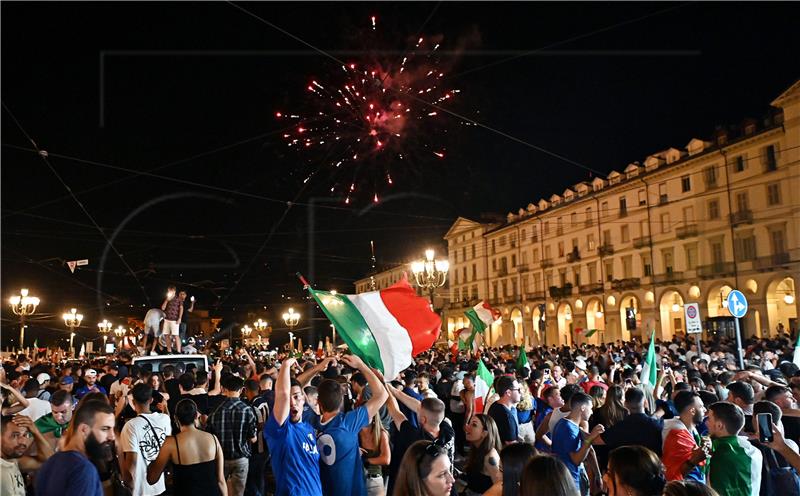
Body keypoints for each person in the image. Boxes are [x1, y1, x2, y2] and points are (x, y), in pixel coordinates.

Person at [315, 354, 388, 496]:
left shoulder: (309, 422)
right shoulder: (348, 422)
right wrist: (361, 365)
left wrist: (317, 368)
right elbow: (382, 395)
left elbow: (295, 388)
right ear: (341, 401)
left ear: (318, 403)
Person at [263, 357, 322, 496]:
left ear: (304, 399)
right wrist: (285, 365)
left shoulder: (309, 429)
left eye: (296, 397)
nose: (291, 402)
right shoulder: (277, 429)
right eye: (288, 398)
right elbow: (283, 395)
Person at [36, 399, 116, 496]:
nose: (112, 436)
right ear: (84, 430)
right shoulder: (84, 470)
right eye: (105, 429)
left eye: (112, 429)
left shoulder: (50, 463)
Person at [146, 399, 226, 496]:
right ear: (196, 416)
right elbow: (221, 481)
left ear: (175, 418)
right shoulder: (213, 439)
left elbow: (152, 479)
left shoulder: (171, 443)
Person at [385, 390, 454, 496]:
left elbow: (394, 411)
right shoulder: (449, 431)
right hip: (446, 488)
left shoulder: (416, 438)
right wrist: (395, 391)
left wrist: (386, 388)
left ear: (423, 419)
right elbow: (422, 408)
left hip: (424, 490)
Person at [207, 374, 258, 496]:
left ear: (225, 389)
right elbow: (253, 438)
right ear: (241, 390)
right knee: (238, 493)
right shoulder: (247, 410)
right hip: (240, 458)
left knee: (220, 491)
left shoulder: (215, 410)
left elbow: (210, 437)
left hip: (220, 458)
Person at [119, 384, 172, 496]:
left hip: (139, 489)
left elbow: (131, 461)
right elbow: (167, 421)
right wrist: (165, 408)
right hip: (160, 484)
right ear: (151, 400)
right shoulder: (165, 419)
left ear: (133, 402)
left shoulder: (130, 426)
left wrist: (127, 483)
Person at [551, 391, 604, 496]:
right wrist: (591, 438)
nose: (592, 412)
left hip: (568, 477)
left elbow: (590, 450)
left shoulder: (570, 425)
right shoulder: (567, 428)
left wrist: (598, 474)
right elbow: (576, 460)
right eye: (590, 408)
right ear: (583, 408)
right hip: (568, 480)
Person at [706, 401, 762, 496]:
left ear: (720, 426)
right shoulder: (754, 450)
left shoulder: (717, 453)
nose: (706, 422)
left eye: (709, 419)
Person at [594, 386, 662, 457]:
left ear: (625, 404)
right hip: (650, 466)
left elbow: (597, 441)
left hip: (624, 466)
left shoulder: (620, 427)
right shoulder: (657, 425)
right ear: (645, 402)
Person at [1, 415, 54, 496]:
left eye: (25, 435)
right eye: (15, 435)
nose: (23, 441)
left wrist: (35, 430)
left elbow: (49, 461)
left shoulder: (13, 461)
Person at [662, 391, 709, 483]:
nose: (704, 410)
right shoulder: (677, 435)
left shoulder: (690, 429)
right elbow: (674, 473)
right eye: (701, 406)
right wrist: (696, 459)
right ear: (692, 411)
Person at [461, 413, 502, 495]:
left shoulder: (490, 457)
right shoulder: (476, 449)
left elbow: (499, 487)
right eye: (469, 423)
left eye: (474, 425)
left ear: (485, 433)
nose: (467, 427)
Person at [359, 413, 391, 496]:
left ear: (373, 417)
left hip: (374, 479)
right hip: (358, 479)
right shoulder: (355, 432)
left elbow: (386, 459)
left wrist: (366, 460)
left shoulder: (381, 434)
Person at [487, 375, 522, 445]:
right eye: (518, 390)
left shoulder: (495, 405)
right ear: (508, 392)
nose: (520, 393)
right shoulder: (507, 417)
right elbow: (511, 446)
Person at [161, 286, 184, 354]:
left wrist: (179, 318)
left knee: (176, 335)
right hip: (167, 319)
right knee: (166, 334)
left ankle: (179, 351)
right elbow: (163, 308)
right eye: (169, 291)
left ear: (174, 291)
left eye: (171, 291)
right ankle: (169, 350)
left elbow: (181, 309)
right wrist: (167, 300)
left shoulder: (179, 299)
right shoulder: (167, 299)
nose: (170, 292)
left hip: (175, 320)